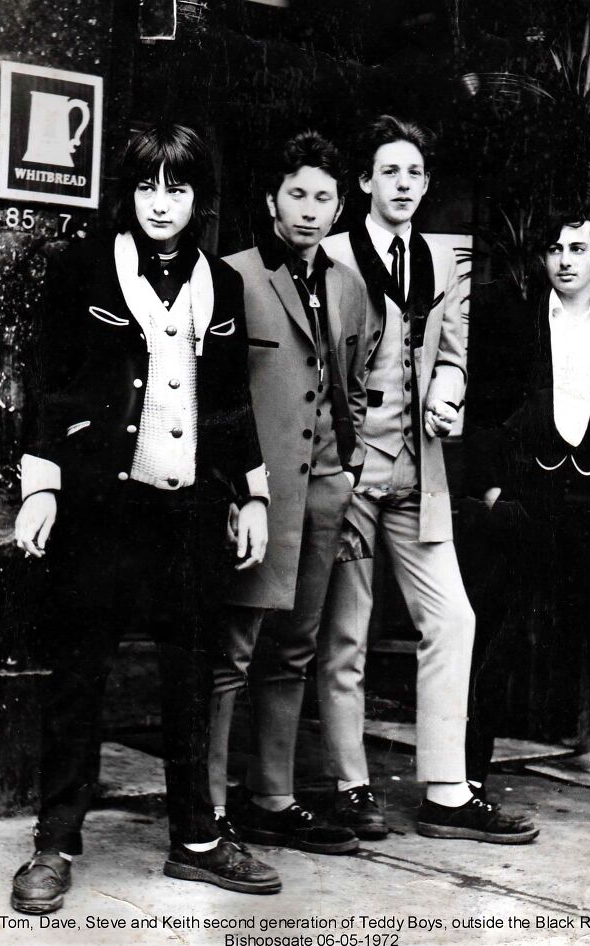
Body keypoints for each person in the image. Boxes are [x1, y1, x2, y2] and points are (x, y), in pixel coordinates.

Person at [11, 123, 282, 914]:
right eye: (147, 187)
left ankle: (197, 840)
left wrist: (252, 495)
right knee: (79, 675)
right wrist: (42, 486)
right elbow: (48, 383)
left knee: (190, 677)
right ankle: (53, 843)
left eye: (179, 188)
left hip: (189, 511)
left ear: (201, 198)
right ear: (127, 195)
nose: (162, 204)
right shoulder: (82, 269)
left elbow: (231, 403)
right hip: (100, 507)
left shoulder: (221, 286)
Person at [319, 115, 537, 843]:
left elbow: (452, 350)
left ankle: (446, 790)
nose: (404, 185)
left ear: (426, 183)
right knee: (345, 636)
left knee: (454, 618)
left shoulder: (442, 261)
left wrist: (449, 386)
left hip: (421, 475)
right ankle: (351, 787)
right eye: (390, 172)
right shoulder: (331, 256)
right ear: (364, 183)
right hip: (351, 474)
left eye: (414, 174)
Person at [465, 205, 590, 837]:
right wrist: (494, 490)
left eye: (578, 249)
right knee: (495, 636)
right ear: (543, 258)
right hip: (530, 501)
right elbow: (487, 407)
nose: (565, 260)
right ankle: (468, 779)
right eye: (554, 250)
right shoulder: (515, 325)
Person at [208, 131, 367, 859]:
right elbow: (215, 401)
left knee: (296, 649)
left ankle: (273, 796)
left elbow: (353, 389)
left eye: (323, 197)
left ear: (341, 205)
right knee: (232, 650)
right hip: (254, 499)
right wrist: (236, 493)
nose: (309, 210)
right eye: (297, 194)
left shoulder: (347, 281)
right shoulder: (232, 275)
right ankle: (207, 807)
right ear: (272, 200)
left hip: (324, 494)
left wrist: (350, 474)